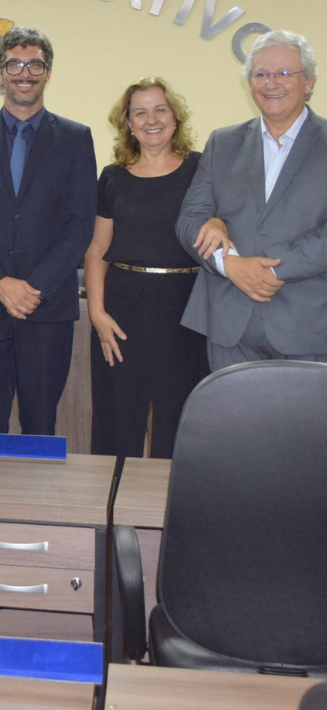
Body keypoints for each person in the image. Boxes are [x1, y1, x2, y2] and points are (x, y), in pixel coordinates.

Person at [0, 25, 95, 435]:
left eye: (34, 65)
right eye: (14, 65)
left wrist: (34, 287)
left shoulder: (76, 139)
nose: (24, 74)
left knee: (40, 423)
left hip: (47, 308)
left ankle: (36, 486)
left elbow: (80, 224)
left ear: (48, 72)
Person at [176, 30, 327, 369]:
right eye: (260, 74)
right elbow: (190, 220)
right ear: (249, 84)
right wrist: (229, 264)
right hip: (230, 329)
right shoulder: (223, 142)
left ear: (308, 82)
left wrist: (275, 269)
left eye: (284, 73)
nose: (271, 84)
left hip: (310, 325)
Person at [84, 79, 209, 459]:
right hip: (123, 309)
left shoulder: (202, 168)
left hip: (186, 308)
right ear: (128, 122)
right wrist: (97, 313)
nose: (151, 119)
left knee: (180, 414)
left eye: (160, 109)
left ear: (175, 116)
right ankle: (114, 497)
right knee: (119, 415)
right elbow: (97, 250)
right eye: (140, 112)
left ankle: (171, 498)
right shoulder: (113, 176)